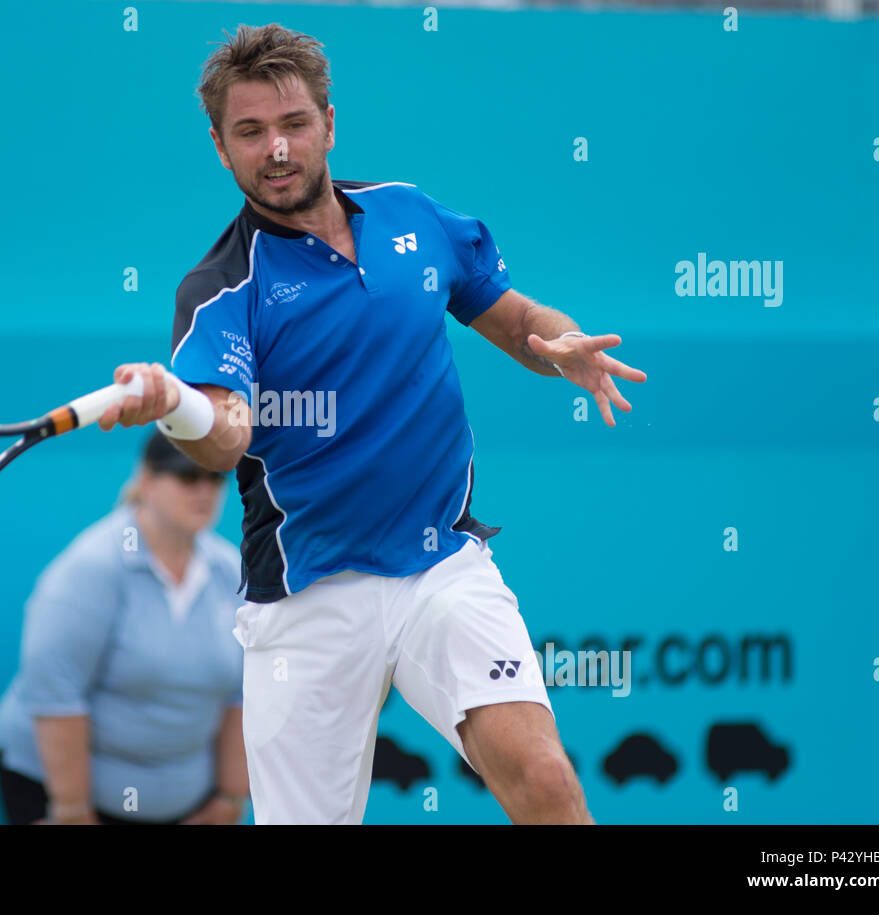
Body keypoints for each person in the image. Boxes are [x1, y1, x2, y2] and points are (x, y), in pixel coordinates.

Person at [95, 23, 648, 825]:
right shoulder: (222, 289)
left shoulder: (411, 218)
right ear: (221, 146)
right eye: (250, 132)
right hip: (307, 597)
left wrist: (561, 349)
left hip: (441, 566)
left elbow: (519, 318)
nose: (275, 149)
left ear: (327, 123)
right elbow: (225, 433)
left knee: (545, 781)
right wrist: (174, 402)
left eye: (292, 125)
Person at [0, 430, 249, 825]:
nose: (203, 489)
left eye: (214, 478)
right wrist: (73, 810)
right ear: (146, 480)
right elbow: (56, 694)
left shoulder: (230, 571)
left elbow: (241, 695)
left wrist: (229, 798)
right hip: (59, 793)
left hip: (185, 803)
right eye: (186, 476)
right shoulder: (91, 568)